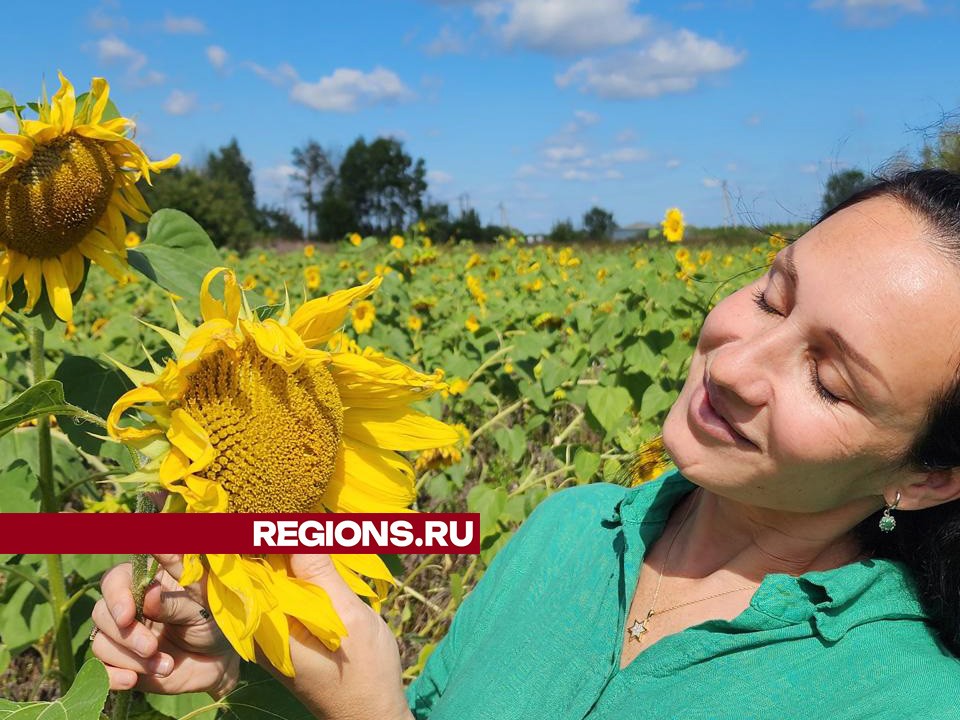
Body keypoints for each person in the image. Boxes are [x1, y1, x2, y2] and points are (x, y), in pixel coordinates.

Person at [91, 169, 960, 718]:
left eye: (830, 380)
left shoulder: (907, 698)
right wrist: (249, 673)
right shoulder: (571, 530)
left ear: (926, 480)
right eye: (772, 295)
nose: (736, 364)